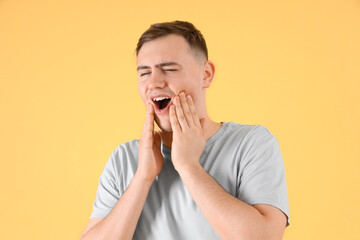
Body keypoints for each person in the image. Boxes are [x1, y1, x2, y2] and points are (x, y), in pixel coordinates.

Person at [80, 20, 290, 240]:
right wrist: (142, 177)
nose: (153, 83)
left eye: (169, 69)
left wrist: (189, 167)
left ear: (206, 74)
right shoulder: (124, 159)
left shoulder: (252, 144)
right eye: (144, 73)